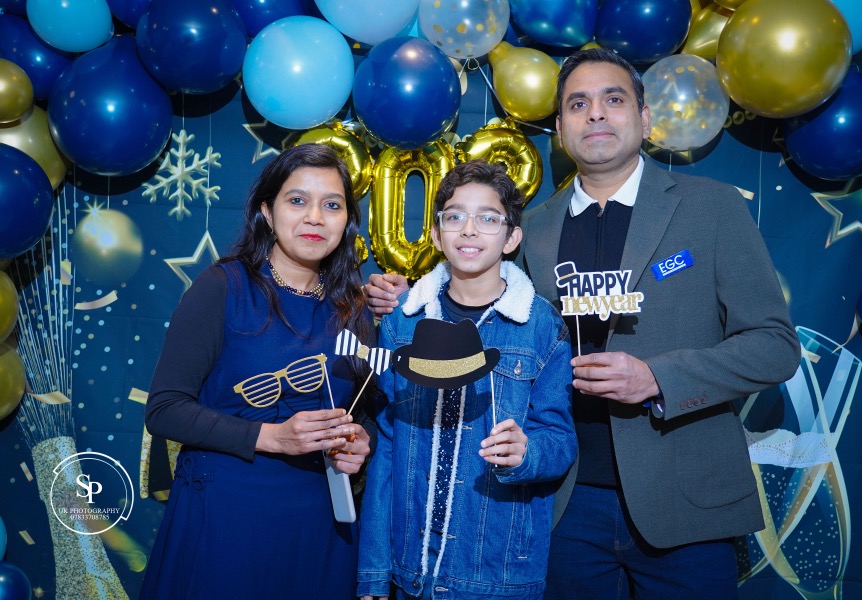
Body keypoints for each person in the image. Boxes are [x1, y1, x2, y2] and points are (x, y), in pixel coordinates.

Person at [364, 48, 801, 599]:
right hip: (562, 506)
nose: (595, 113)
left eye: (613, 99)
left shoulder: (711, 209)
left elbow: (774, 346)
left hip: (684, 501)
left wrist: (658, 379)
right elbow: (486, 309)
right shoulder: (533, 228)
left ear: (645, 118)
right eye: (577, 103)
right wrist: (412, 298)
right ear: (560, 128)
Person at [141, 144, 373, 599]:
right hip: (226, 521)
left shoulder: (354, 310)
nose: (315, 218)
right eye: (297, 200)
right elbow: (164, 410)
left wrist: (360, 444)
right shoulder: (223, 287)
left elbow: (363, 414)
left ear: (347, 220)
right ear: (267, 211)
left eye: (332, 205)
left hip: (319, 526)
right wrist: (272, 437)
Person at [357, 160, 577, 600]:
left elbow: (560, 439)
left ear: (511, 238)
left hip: (495, 571)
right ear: (436, 235)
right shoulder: (403, 323)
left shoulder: (540, 326)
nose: (470, 230)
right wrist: (374, 573)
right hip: (411, 570)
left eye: (488, 218)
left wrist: (527, 452)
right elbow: (387, 448)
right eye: (455, 216)